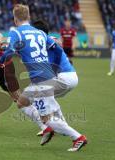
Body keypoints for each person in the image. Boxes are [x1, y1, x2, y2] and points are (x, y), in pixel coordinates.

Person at [0, 4, 86, 151]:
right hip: (48, 76)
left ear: (14, 19)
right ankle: (47, 129)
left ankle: (77, 137)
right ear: (29, 17)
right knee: (22, 102)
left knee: (47, 118)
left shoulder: (16, 33)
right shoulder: (40, 33)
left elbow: (9, 52)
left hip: (42, 79)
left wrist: (0, 63)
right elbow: (56, 47)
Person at [33, 20, 87, 152]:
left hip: (63, 77)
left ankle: (75, 136)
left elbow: (57, 48)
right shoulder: (46, 40)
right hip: (71, 76)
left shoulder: (45, 40)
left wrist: (54, 68)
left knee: (36, 99)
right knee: (46, 98)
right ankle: (61, 126)